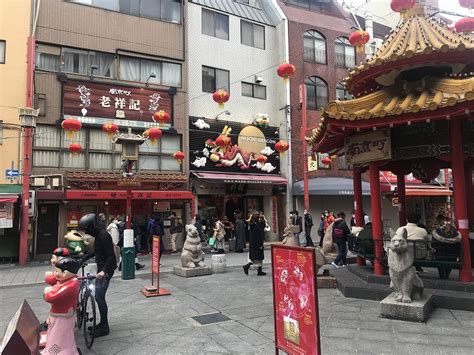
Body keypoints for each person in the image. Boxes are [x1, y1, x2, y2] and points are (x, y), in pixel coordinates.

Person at [78, 213, 116, 337]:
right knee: (99, 296)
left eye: (87, 229)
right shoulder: (99, 235)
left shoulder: (104, 235)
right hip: (102, 269)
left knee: (99, 297)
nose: (87, 232)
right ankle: (102, 323)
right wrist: (83, 258)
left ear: (92, 226)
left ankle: (105, 327)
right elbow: (97, 251)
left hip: (106, 270)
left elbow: (111, 256)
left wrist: (103, 271)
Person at [243, 212, 266, 276]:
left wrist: (263, 220)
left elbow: (263, 226)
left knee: (258, 258)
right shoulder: (256, 226)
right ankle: (247, 266)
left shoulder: (252, 224)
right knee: (257, 258)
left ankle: (259, 270)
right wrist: (260, 245)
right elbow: (258, 236)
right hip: (257, 244)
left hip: (253, 244)